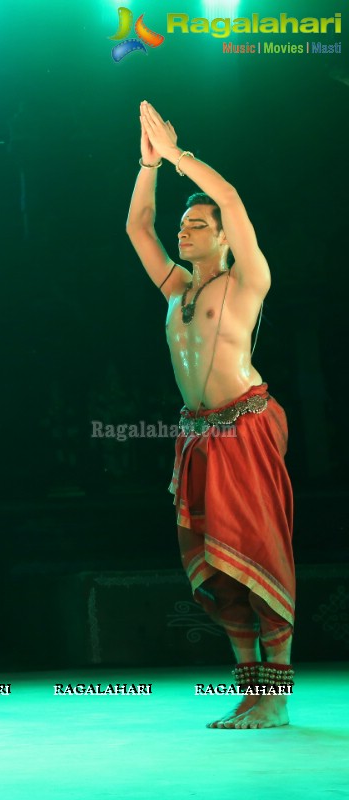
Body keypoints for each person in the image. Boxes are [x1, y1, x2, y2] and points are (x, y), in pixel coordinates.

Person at [126, 101, 294, 729]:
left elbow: (232, 198)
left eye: (198, 224)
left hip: (244, 425)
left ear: (223, 237)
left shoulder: (247, 281)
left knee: (256, 549)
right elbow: (138, 227)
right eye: (185, 224)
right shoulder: (176, 290)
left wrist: (176, 156)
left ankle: (274, 695)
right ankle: (251, 688)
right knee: (216, 564)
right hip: (196, 436)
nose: (185, 231)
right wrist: (147, 165)